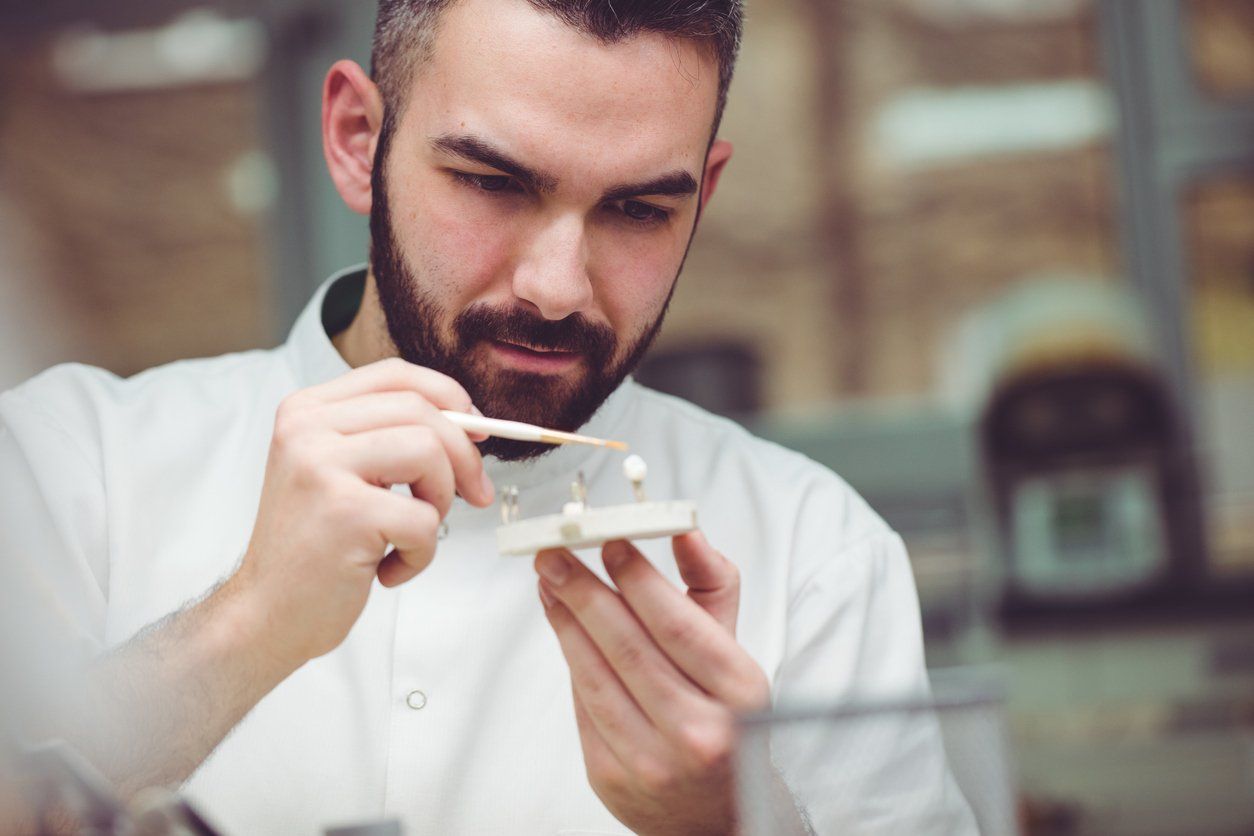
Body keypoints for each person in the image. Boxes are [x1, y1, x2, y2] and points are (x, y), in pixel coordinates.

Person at [0, 0, 973, 832]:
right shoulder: (66, 467)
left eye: (638, 209)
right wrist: (242, 625)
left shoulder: (817, 554)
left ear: (702, 195)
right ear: (355, 139)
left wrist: (740, 817)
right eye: (494, 182)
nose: (556, 288)